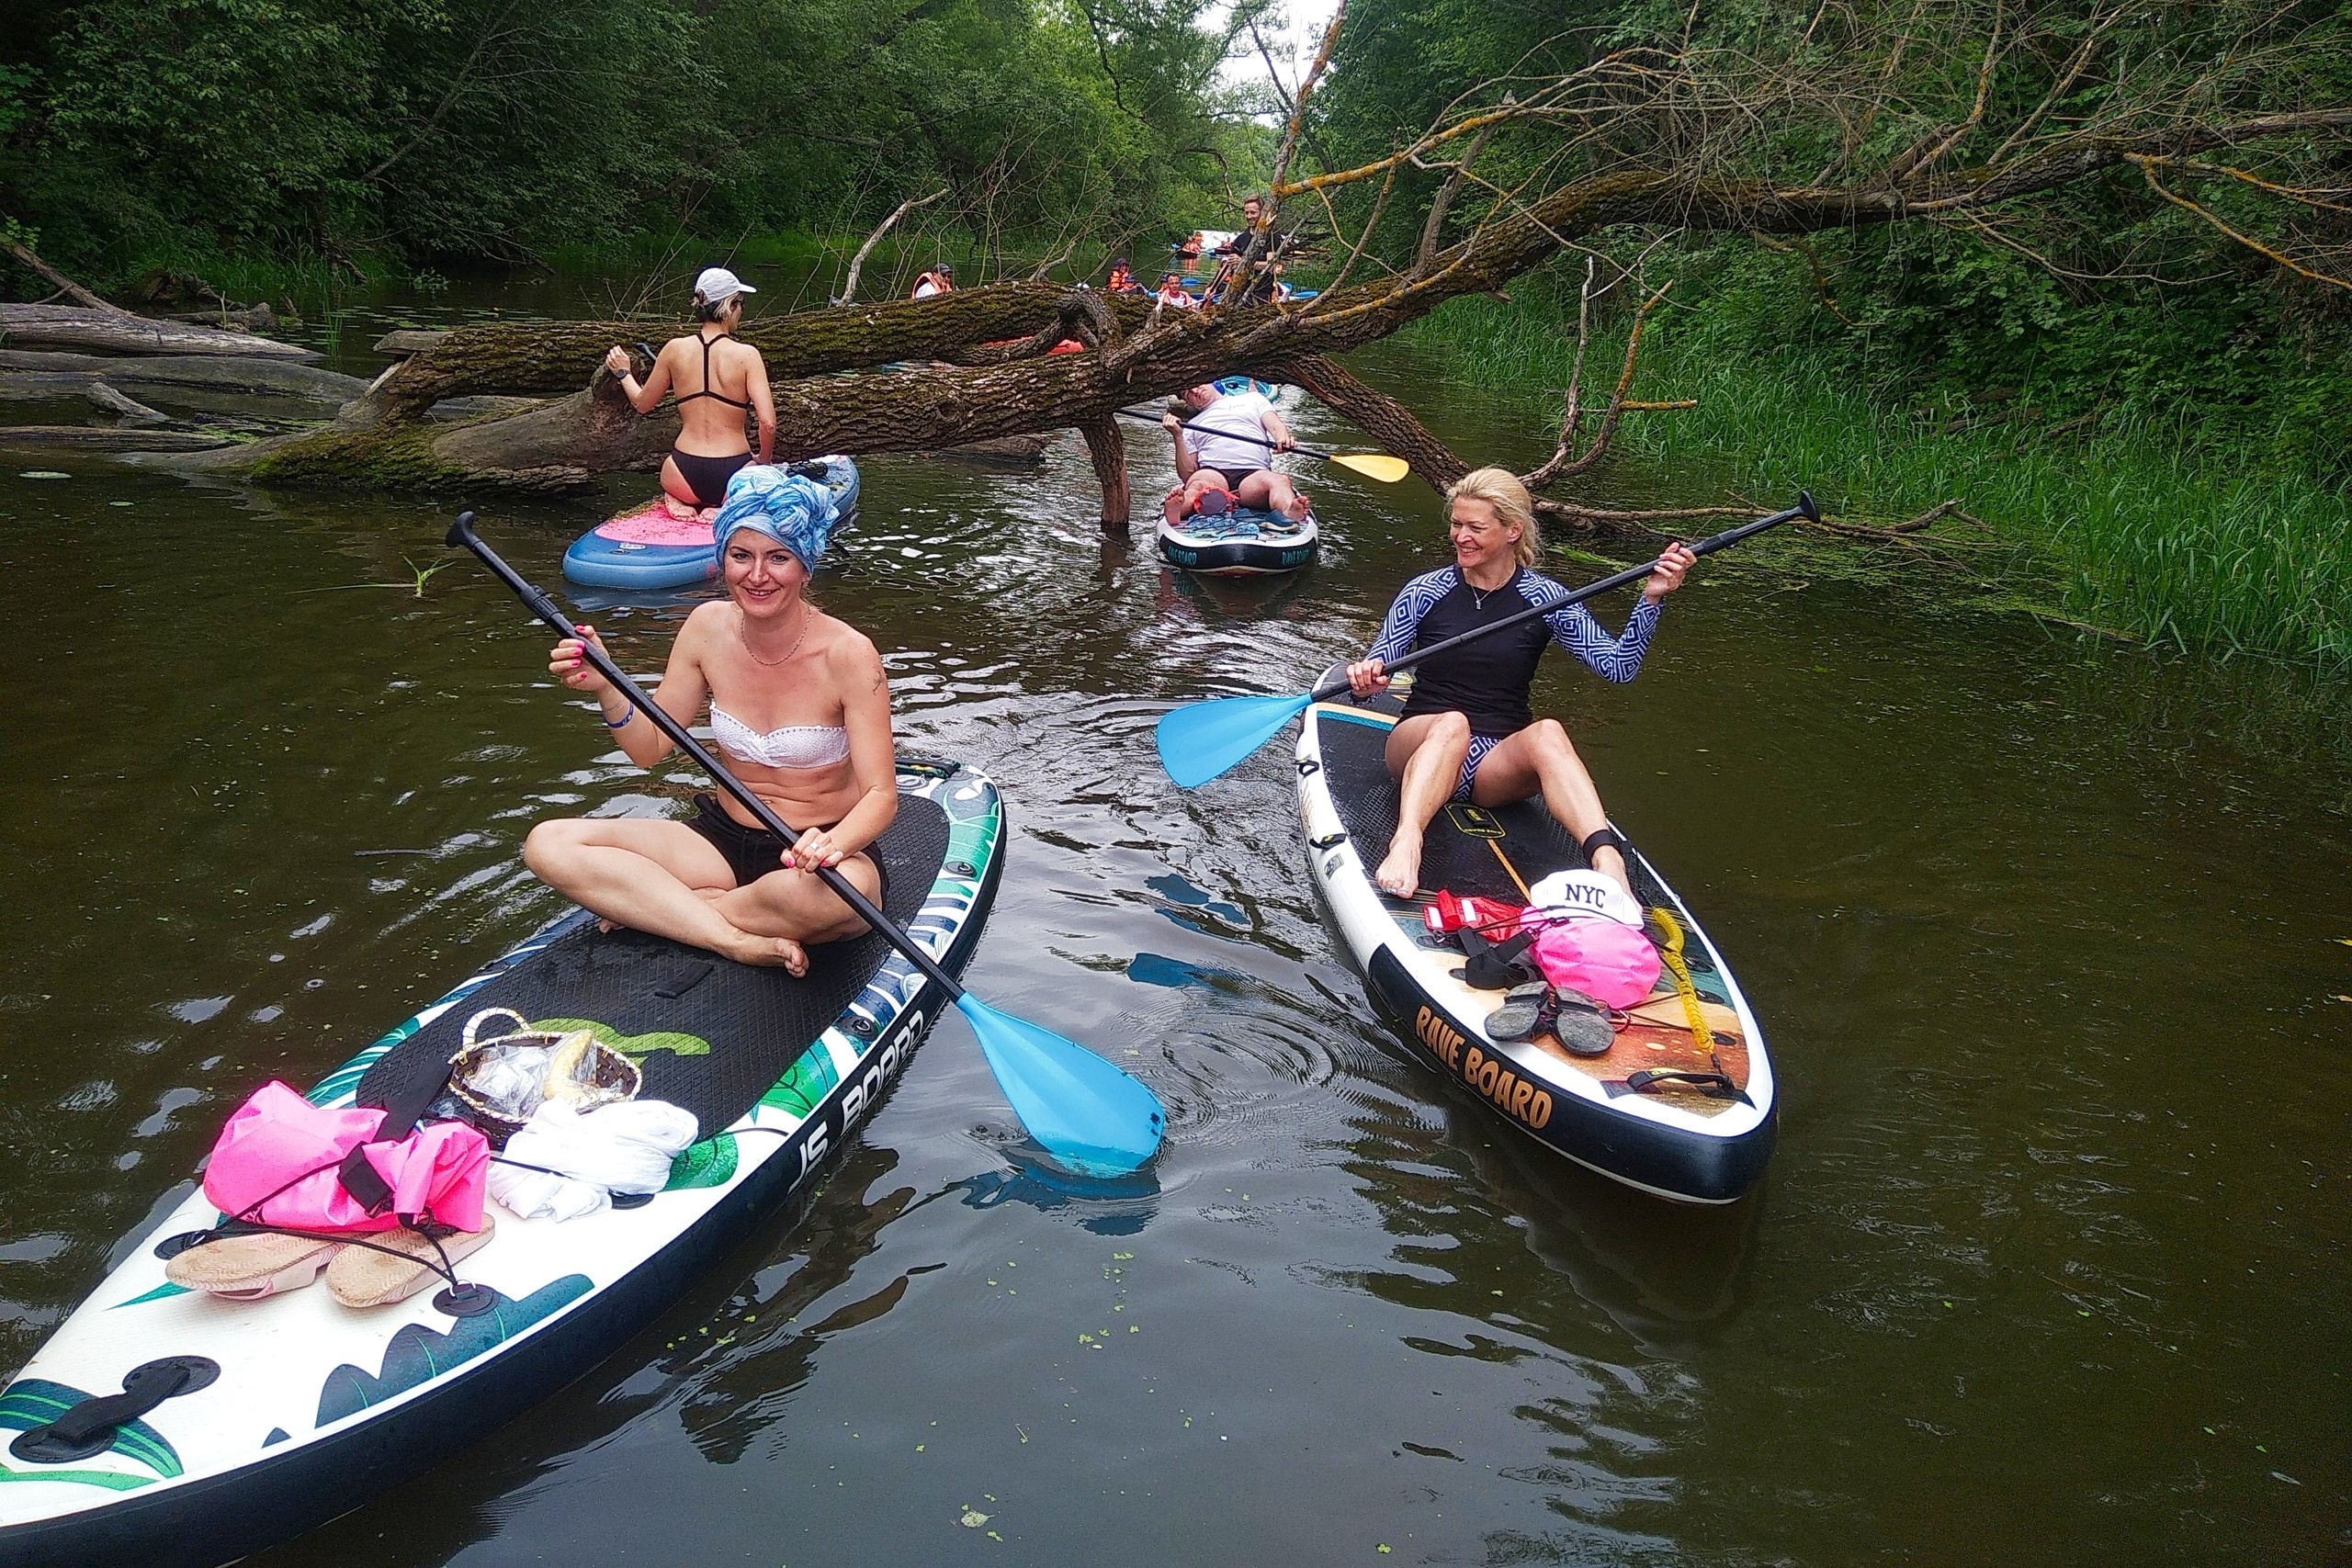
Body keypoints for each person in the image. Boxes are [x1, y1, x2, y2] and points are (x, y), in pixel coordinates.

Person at [523, 468, 897, 976]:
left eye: (779, 557)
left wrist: (832, 845)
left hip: (814, 857)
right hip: (721, 840)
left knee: (842, 899)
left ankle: (664, 911)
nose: (758, 575)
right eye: (741, 555)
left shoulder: (850, 655)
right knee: (548, 844)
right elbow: (650, 749)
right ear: (722, 558)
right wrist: (608, 685)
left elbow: (880, 795)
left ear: (806, 566)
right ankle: (728, 936)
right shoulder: (705, 628)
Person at [1343, 468, 1695, 900]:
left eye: (1476, 527)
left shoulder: (1546, 598)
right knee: (1452, 723)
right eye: (1456, 524)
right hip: (1421, 743)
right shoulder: (1425, 591)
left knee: (1548, 731)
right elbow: (1379, 669)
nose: (1461, 537)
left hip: (1497, 764)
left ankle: (1607, 858)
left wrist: (1652, 598)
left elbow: (1618, 667)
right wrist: (1366, 678)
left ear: (1513, 530)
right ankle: (1408, 839)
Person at [604, 267, 775, 514]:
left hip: (681, 472)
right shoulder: (747, 355)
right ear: (729, 307)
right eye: (741, 304)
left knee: (672, 479)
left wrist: (624, 373)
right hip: (735, 474)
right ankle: (723, 506)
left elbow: (642, 404)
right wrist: (764, 461)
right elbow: (768, 423)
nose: (741, 311)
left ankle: (683, 501)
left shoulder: (674, 349)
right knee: (759, 479)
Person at [1160, 381, 1307, 525]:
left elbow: (1276, 425)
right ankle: (1176, 511)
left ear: (1212, 382)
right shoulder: (1191, 426)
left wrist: (1282, 438)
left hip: (1253, 475)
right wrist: (1177, 436)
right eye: (1188, 394)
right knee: (1197, 485)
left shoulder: (1253, 399)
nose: (1195, 391)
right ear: (1189, 403)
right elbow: (1188, 474)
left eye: (1197, 385)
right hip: (1213, 474)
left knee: (1279, 481)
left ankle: (1288, 511)